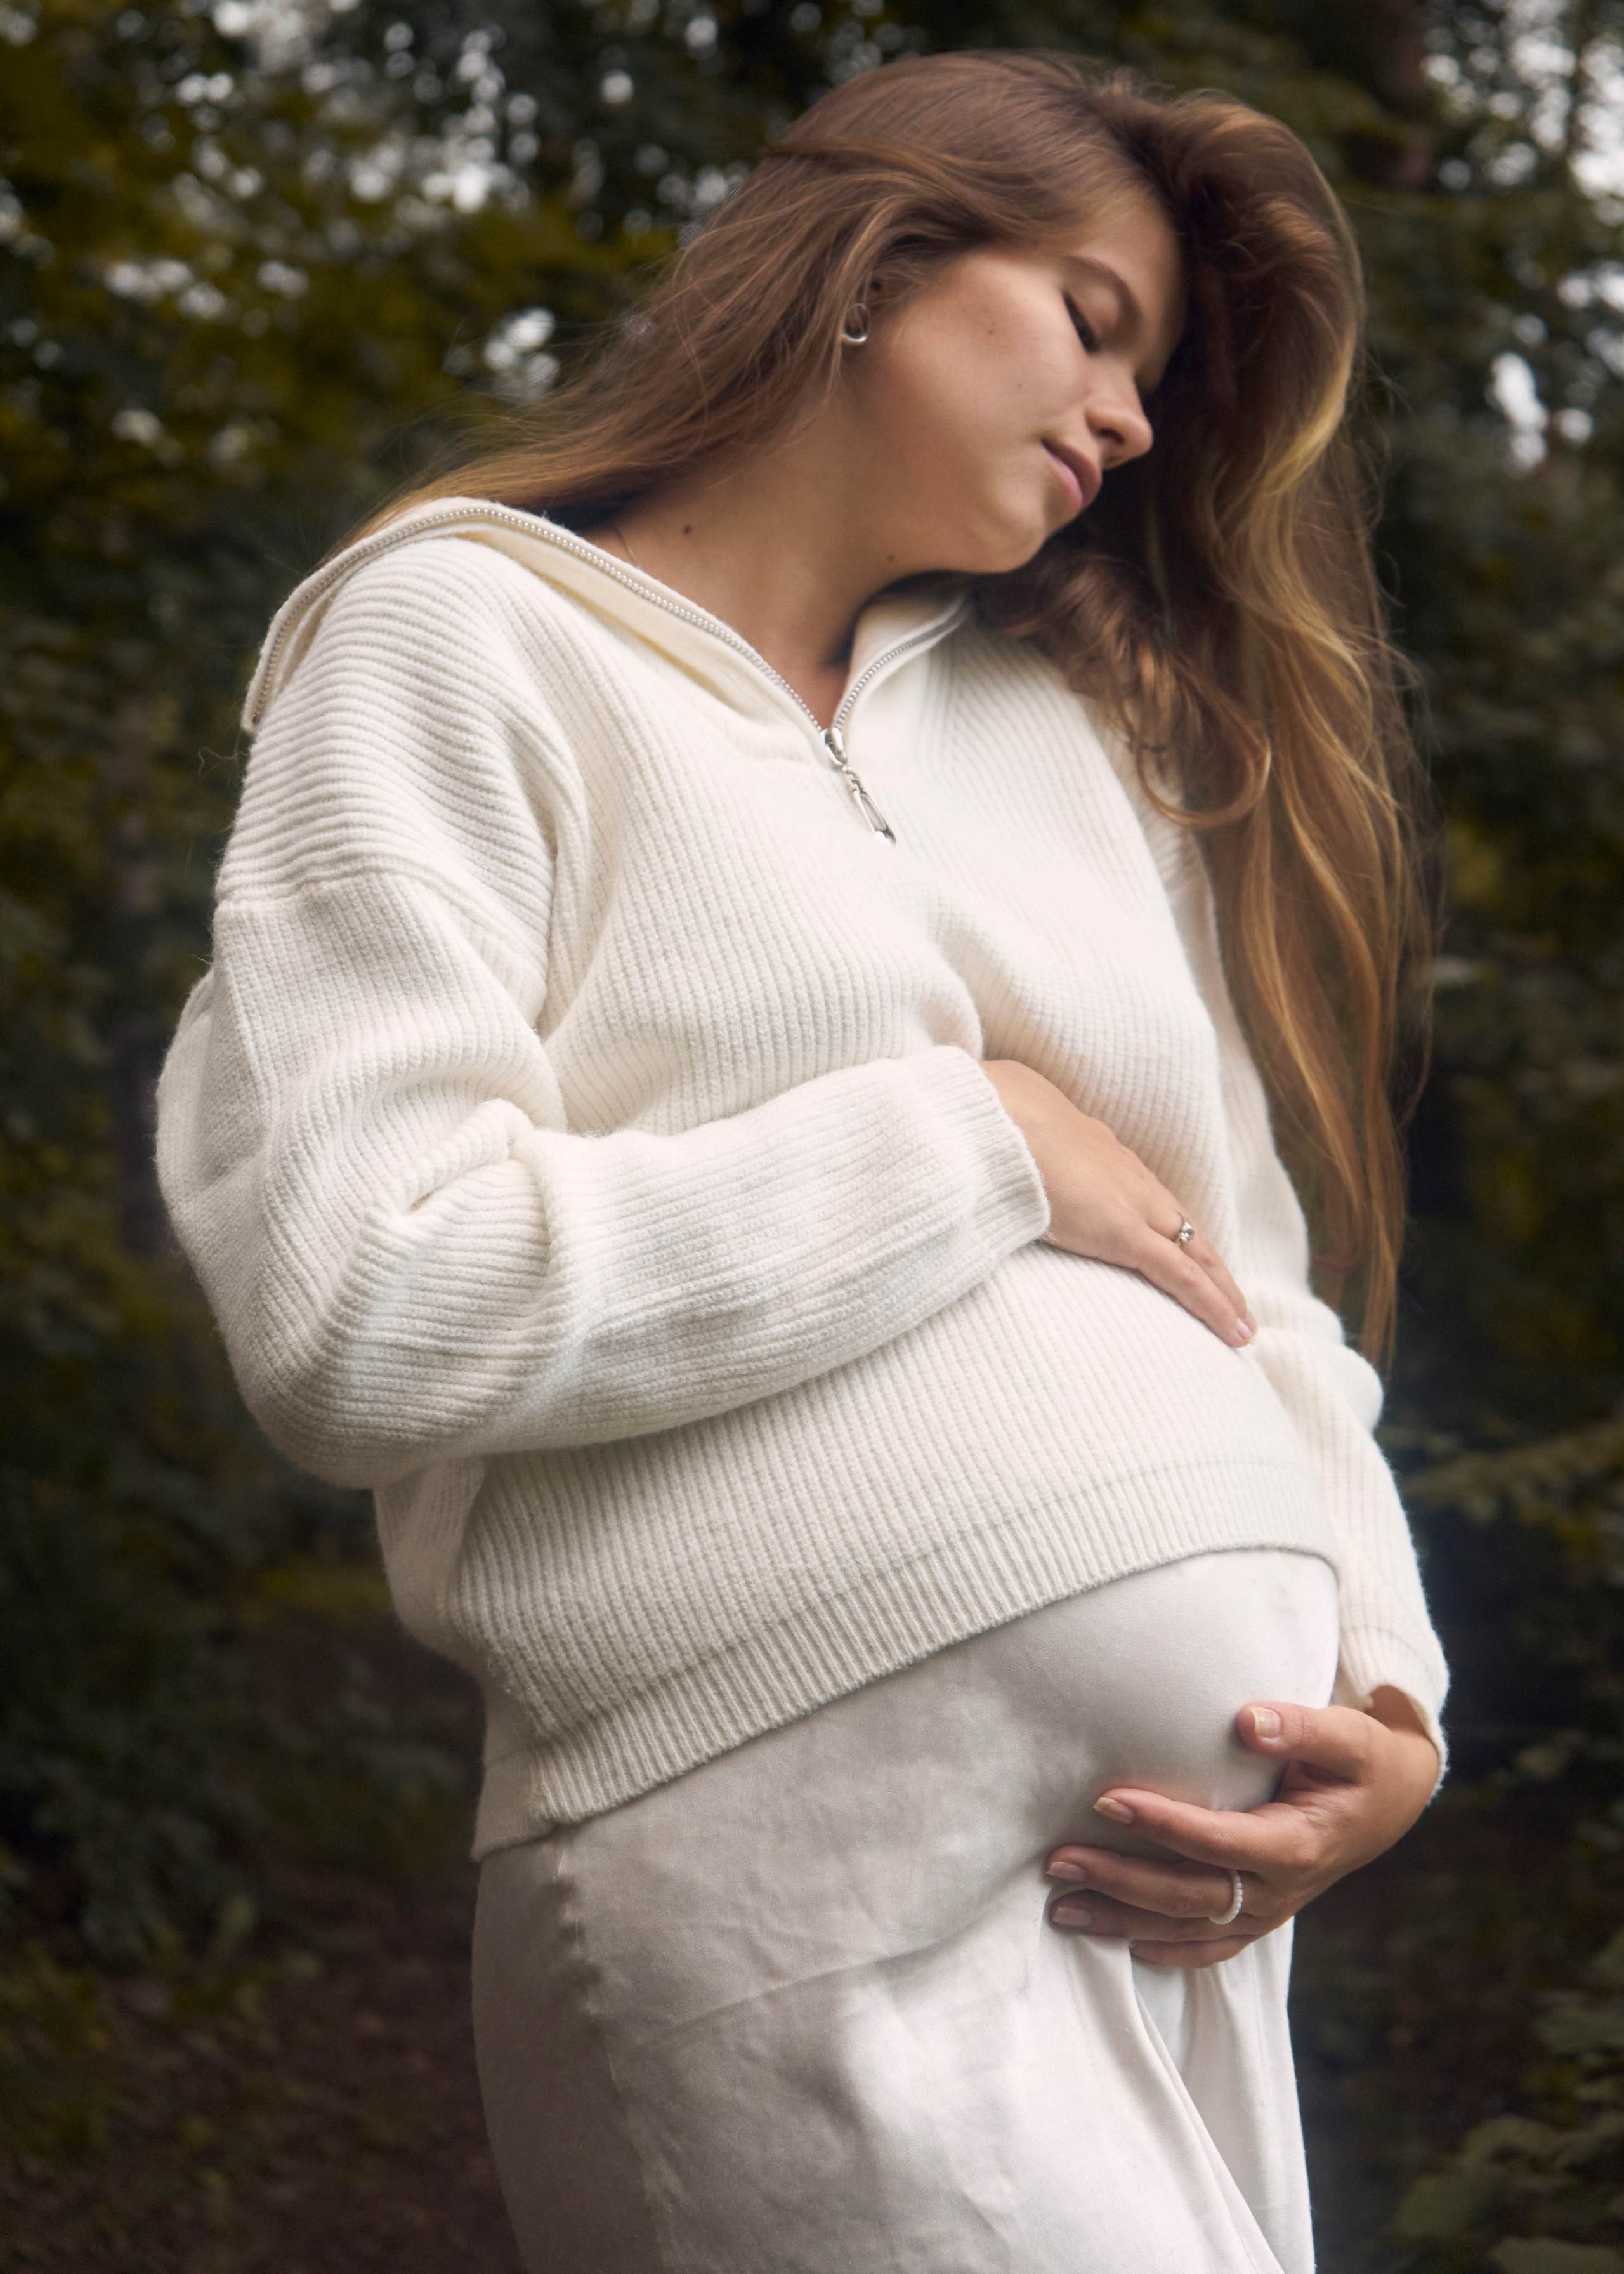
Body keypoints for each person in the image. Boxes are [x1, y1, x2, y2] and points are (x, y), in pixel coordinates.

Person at [156, 48, 1448, 2274]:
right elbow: (364, 1302)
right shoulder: (460, 639)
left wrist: (1389, 1701)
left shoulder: (1071, 737)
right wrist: (962, 1151)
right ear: (878, 261)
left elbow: (1263, 1290)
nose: (1133, 422)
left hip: (1177, 1926)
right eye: (1096, 322)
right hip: (767, 1854)